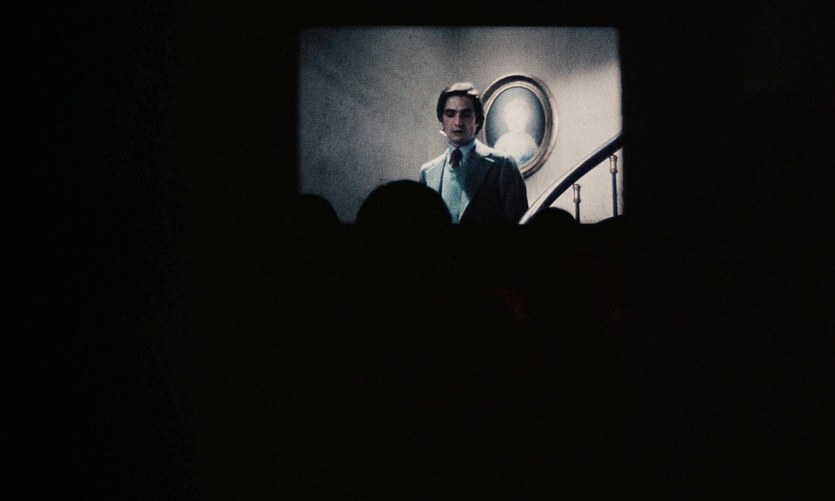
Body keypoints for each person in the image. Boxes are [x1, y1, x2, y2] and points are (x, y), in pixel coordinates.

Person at [419, 82, 529, 224]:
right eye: (450, 114)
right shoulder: (427, 172)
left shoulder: (502, 165)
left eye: (465, 114)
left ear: (477, 120)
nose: (458, 122)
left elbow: (519, 226)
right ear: (442, 121)